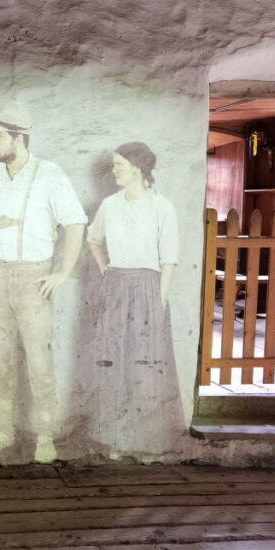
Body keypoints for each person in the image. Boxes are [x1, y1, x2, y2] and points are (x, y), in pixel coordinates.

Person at [0, 102, 87, 464]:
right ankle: (5, 430)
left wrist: (62, 272)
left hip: (35, 278)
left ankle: (45, 436)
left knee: (39, 362)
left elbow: (75, 223)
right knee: (0, 360)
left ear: (19, 138)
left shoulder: (51, 174)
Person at [85, 141, 182, 451]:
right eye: (114, 164)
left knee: (145, 367)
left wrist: (160, 302)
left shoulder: (162, 207)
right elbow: (94, 239)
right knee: (115, 365)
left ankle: (150, 444)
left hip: (148, 291)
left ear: (138, 169)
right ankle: (116, 441)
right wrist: (106, 272)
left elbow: (168, 260)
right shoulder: (109, 205)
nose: (114, 170)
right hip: (115, 288)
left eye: (119, 165)